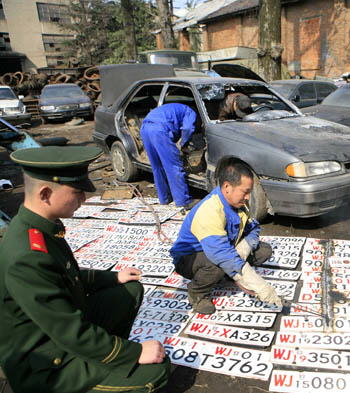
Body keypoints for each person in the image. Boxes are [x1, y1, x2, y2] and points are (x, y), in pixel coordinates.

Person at [0, 146, 169, 393]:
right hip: (46, 363)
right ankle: (108, 360)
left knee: (128, 290)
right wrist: (134, 353)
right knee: (157, 371)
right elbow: (69, 331)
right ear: (46, 193)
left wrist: (113, 276)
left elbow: (67, 276)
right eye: (77, 192)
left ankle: (105, 356)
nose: (84, 199)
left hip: (58, 329)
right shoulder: (27, 255)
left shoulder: (39, 226)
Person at [170, 159, 281, 315]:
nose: (248, 197)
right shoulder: (210, 211)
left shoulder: (238, 203)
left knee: (264, 250)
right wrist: (260, 287)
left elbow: (254, 228)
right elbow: (221, 255)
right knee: (217, 264)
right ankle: (197, 293)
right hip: (190, 258)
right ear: (227, 187)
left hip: (223, 250)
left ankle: (229, 275)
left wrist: (244, 248)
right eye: (245, 191)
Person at [140, 103, 198, 208]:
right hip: (159, 130)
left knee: (157, 167)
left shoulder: (175, 108)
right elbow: (188, 128)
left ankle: (164, 198)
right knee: (173, 166)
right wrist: (183, 143)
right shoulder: (191, 112)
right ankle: (183, 201)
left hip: (145, 128)